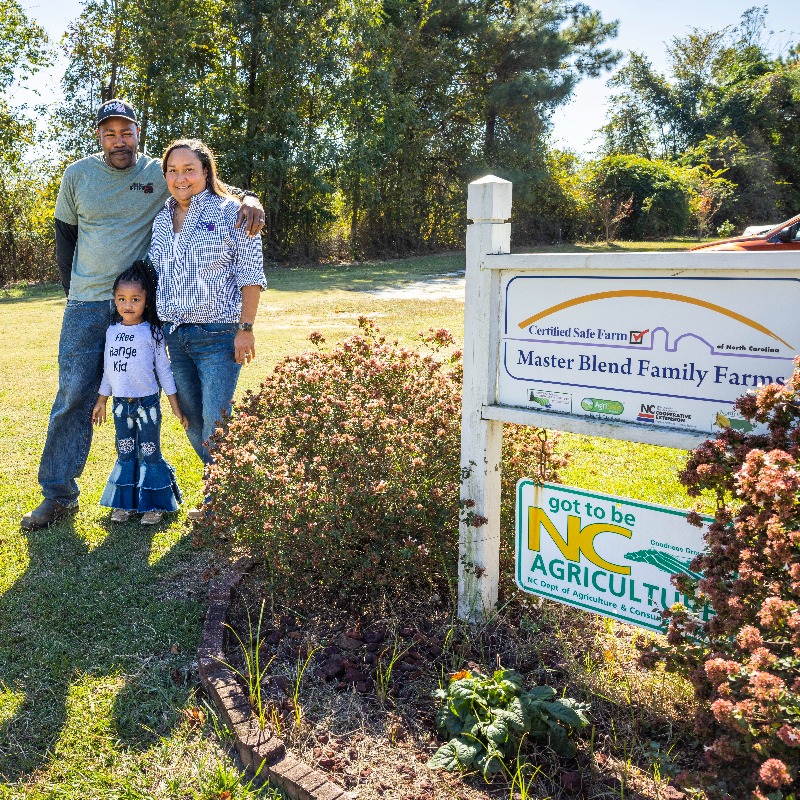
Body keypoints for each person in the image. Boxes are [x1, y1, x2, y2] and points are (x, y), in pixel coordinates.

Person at [22, 99, 265, 531]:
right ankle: (57, 495)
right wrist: (73, 292)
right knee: (72, 395)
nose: (119, 140)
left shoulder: (158, 171)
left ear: (138, 133)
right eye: (110, 132)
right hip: (86, 305)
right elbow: (64, 238)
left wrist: (251, 198)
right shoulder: (77, 175)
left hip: (144, 309)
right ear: (99, 135)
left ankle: (226, 491)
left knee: (176, 400)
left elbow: (206, 181)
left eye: (127, 132)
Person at [148, 139, 266, 518]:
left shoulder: (235, 212)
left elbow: (251, 275)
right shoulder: (161, 220)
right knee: (191, 418)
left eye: (189, 169)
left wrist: (245, 328)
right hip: (175, 335)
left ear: (205, 172)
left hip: (218, 334)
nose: (180, 177)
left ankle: (221, 503)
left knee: (216, 419)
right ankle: (241, 482)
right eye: (173, 170)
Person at [91, 262, 186, 525]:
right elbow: (109, 370)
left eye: (135, 299)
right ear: (115, 300)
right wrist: (101, 400)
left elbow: (164, 370)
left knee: (150, 450)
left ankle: (154, 505)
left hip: (148, 404)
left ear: (146, 301)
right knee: (125, 452)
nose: (128, 305)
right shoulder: (111, 332)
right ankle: (125, 504)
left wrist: (175, 404)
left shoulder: (153, 332)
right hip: (121, 406)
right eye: (121, 299)